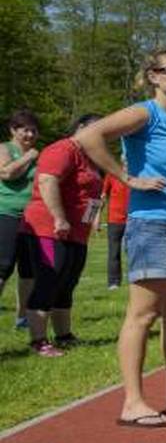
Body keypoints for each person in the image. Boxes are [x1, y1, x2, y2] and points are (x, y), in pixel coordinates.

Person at [75, 45, 166, 426]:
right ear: (153, 75)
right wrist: (126, 177)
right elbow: (89, 137)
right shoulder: (146, 113)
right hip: (154, 223)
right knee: (143, 314)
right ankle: (133, 401)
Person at [21, 115, 103, 356]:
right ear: (80, 129)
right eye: (96, 129)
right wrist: (59, 217)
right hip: (49, 229)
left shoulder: (93, 158)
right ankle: (38, 340)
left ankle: (64, 335)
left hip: (76, 234)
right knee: (49, 279)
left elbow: (95, 197)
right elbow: (47, 181)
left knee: (67, 283)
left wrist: (88, 225)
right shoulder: (62, 149)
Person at [1, 109, 40, 328]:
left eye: (34, 131)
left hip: (32, 219)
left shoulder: (38, 155)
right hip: (5, 214)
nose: (30, 135)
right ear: (13, 130)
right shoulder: (4, 149)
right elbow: (6, 173)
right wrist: (28, 156)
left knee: (28, 270)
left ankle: (22, 316)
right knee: (3, 266)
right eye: (25, 130)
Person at [98, 163, 130, 289]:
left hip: (134, 219)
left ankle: (135, 279)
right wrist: (96, 218)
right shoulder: (112, 174)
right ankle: (113, 282)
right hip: (115, 220)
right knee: (114, 252)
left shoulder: (138, 174)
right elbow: (102, 196)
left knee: (135, 251)